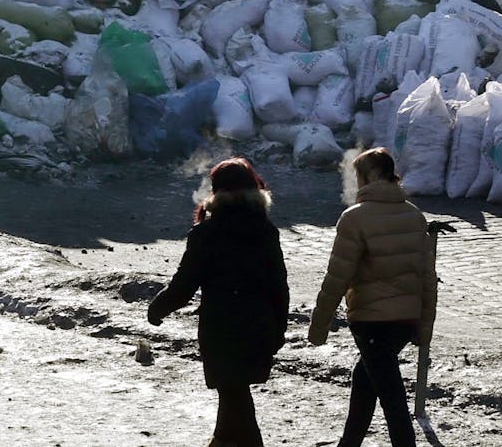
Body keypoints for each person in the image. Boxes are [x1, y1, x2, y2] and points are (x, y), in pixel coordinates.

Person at [147, 157, 289, 447]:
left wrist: (158, 308)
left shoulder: (207, 233)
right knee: (233, 398)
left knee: (235, 399)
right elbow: (279, 286)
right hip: (259, 327)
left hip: (222, 331)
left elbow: (185, 284)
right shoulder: (266, 230)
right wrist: (278, 330)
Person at [308, 147, 437, 447]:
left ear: (370, 176)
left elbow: (337, 278)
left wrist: (319, 326)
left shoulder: (355, 218)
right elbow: (427, 277)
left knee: (392, 399)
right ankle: (348, 443)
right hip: (405, 320)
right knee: (366, 379)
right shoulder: (414, 215)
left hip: (372, 322)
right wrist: (423, 326)